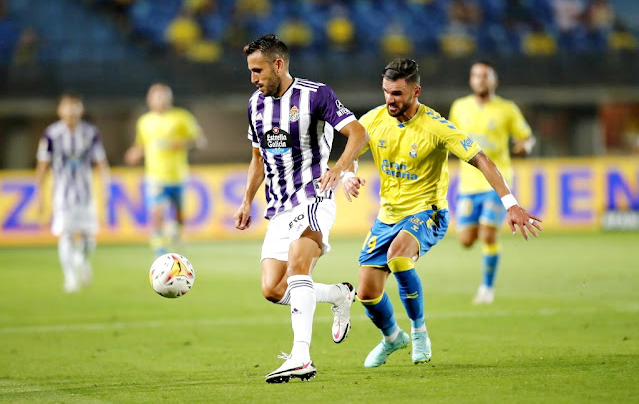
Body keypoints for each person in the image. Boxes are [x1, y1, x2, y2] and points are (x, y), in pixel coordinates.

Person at [342, 58, 541, 368]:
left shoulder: (436, 126)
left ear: (416, 91)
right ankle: (393, 338)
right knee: (367, 291)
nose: (389, 100)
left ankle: (419, 332)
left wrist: (511, 203)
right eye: (385, 92)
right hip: (388, 216)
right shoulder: (374, 119)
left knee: (399, 257)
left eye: (396, 93)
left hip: (428, 212)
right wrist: (347, 174)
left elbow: (482, 159)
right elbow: (354, 145)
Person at [234, 34, 369, 383]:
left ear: (278, 65)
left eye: (258, 70)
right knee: (273, 289)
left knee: (298, 268)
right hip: (278, 207)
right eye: (250, 71)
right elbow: (257, 159)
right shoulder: (254, 105)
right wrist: (247, 200)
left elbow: (358, 134)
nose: (253, 78)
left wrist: (339, 168)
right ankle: (340, 294)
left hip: (313, 196)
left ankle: (301, 356)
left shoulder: (316, 95)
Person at [449, 61, 536, 304]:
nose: (480, 80)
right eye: (476, 76)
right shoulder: (460, 107)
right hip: (468, 184)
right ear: (470, 80)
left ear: (493, 81)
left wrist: (525, 145)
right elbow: (449, 135)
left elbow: (527, 137)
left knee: (488, 234)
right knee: (466, 240)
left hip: (497, 182)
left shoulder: (507, 109)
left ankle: (487, 288)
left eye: (485, 76)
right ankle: (483, 240)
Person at [35, 94, 110, 293]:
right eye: (67, 107)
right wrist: (39, 195)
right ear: (60, 111)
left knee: (89, 236)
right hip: (62, 194)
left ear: (81, 109)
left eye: (74, 106)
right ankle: (70, 278)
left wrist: (106, 186)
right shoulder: (51, 134)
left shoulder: (90, 132)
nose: (71, 111)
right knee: (66, 233)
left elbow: (101, 162)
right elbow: (42, 165)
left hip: (86, 193)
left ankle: (81, 260)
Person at [125, 83, 206, 257]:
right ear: (149, 99)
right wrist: (135, 152)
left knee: (179, 217)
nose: (159, 100)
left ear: (170, 98)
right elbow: (142, 144)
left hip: (178, 176)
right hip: (155, 176)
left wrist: (181, 143)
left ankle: (175, 235)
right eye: (155, 96)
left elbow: (199, 141)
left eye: (163, 96)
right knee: (156, 214)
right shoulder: (144, 121)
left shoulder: (181, 117)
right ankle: (159, 251)